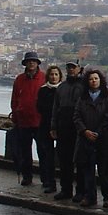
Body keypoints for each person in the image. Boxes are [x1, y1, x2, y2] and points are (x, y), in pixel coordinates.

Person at [72, 68, 108, 208]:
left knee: (104, 171)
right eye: (91, 79)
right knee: (87, 171)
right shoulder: (82, 99)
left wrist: (98, 132)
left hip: (102, 140)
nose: (94, 81)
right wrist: (85, 131)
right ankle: (89, 197)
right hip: (85, 139)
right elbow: (76, 116)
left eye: (96, 79)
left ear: (100, 80)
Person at [9, 51, 46, 186]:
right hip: (23, 122)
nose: (31, 63)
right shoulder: (19, 79)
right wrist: (15, 112)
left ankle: (45, 179)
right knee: (25, 152)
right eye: (29, 61)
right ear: (25, 63)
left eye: (34, 61)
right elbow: (14, 99)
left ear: (37, 63)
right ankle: (27, 176)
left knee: (43, 152)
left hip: (40, 122)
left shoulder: (44, 78)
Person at [51, 61, 85, 201]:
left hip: (78, 128)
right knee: (64, 162)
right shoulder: (61, 87)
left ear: (79, 69)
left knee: (80, 162)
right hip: (63, 127)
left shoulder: (84, 86)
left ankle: (81, 191)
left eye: (73, 67)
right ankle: (66, 190)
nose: (71, 70)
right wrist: (53, 126)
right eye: (69, 67)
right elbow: (55, 108)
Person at [35, 64, 62, 193]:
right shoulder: (43, 90)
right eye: (52, 74)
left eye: (56, 74)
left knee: (62, 156)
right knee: (47, 155)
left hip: (61, 126)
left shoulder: (63, 89)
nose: (54, 76)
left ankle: (63, 183)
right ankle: (48, 181)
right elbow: (39, 107)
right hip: (45, 125)